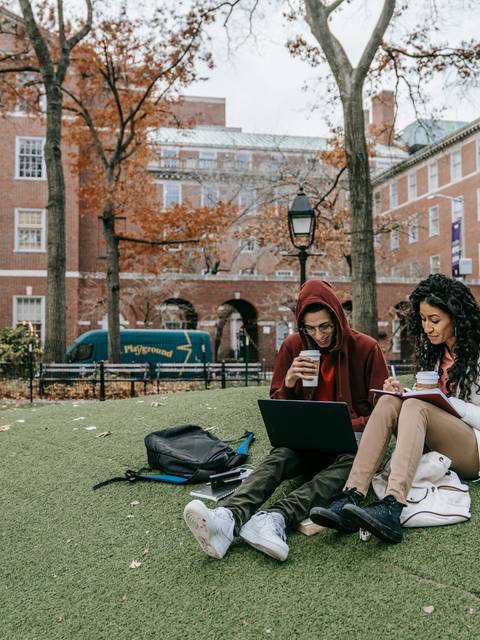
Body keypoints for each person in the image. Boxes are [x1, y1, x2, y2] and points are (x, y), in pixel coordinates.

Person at [183, 279, 388, 561]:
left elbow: (383, 414)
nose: (319, 335)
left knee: (351, 464)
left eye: (326, 326)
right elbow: (278, 408)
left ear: (339, 319)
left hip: (350, 444)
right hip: (306, 442)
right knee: (279, 456)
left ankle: (274, 518)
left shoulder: (366, 348)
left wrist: (346, 425)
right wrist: (290, 382)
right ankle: (227, 518)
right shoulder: (293, 346)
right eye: (311, 328)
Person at [311, 273, 480, 544]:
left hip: (474, 451)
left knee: (416, 406)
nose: (428, 328)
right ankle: (351, 494)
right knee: (390, 401)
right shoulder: (436, 352)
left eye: (435, 320)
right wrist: (404, 392)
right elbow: (429, 400)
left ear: (457, 317)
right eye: (423, 320)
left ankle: (393, 505)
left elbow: (441, 404)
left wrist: (434, 399)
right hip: (436, 438)